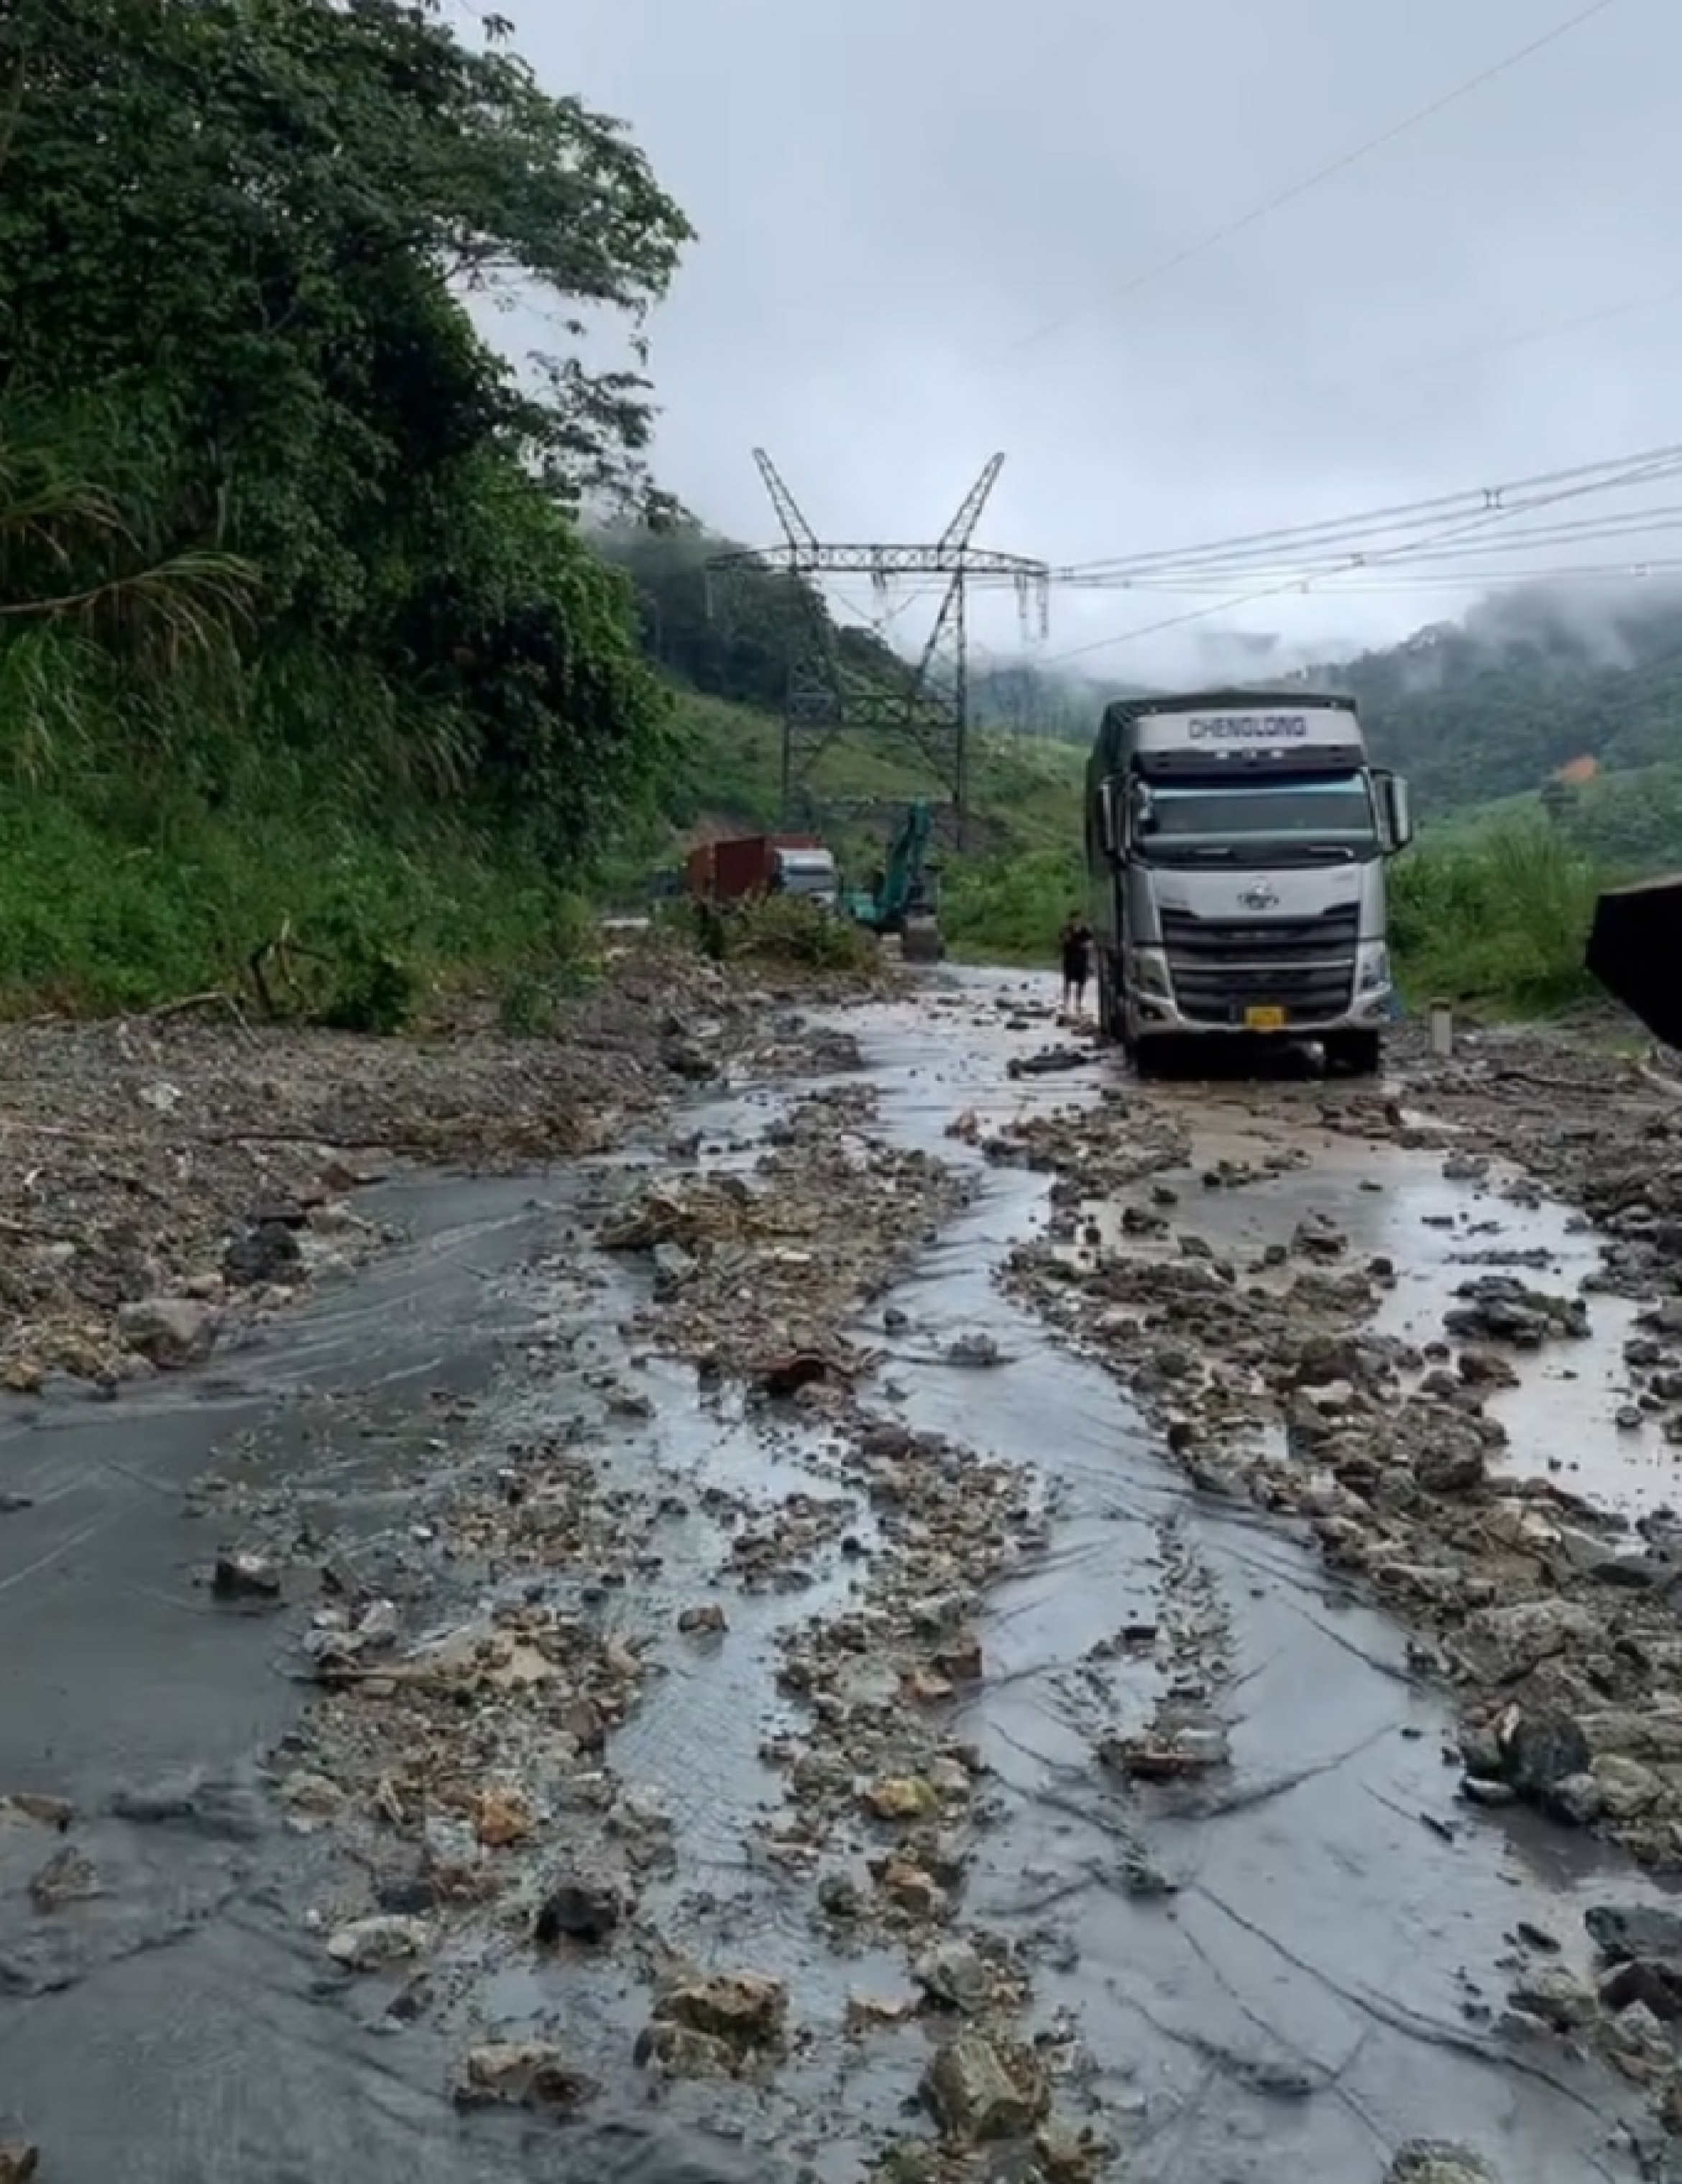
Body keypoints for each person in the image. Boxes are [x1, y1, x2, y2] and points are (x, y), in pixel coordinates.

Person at [1059, 909, 1093, 1018]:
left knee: (1081, 984)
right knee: (1067, 982)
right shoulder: (1067, 930)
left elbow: (1090, 944)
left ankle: (1078, 1004)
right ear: (1071, 920)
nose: (1077, 921)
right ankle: (1066, 1003)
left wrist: (1085, 945)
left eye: (1079, 919)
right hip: (1069, 961)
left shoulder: (1085, 931)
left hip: (1082, 961)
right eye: (1074, 919)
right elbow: (1064, 941)